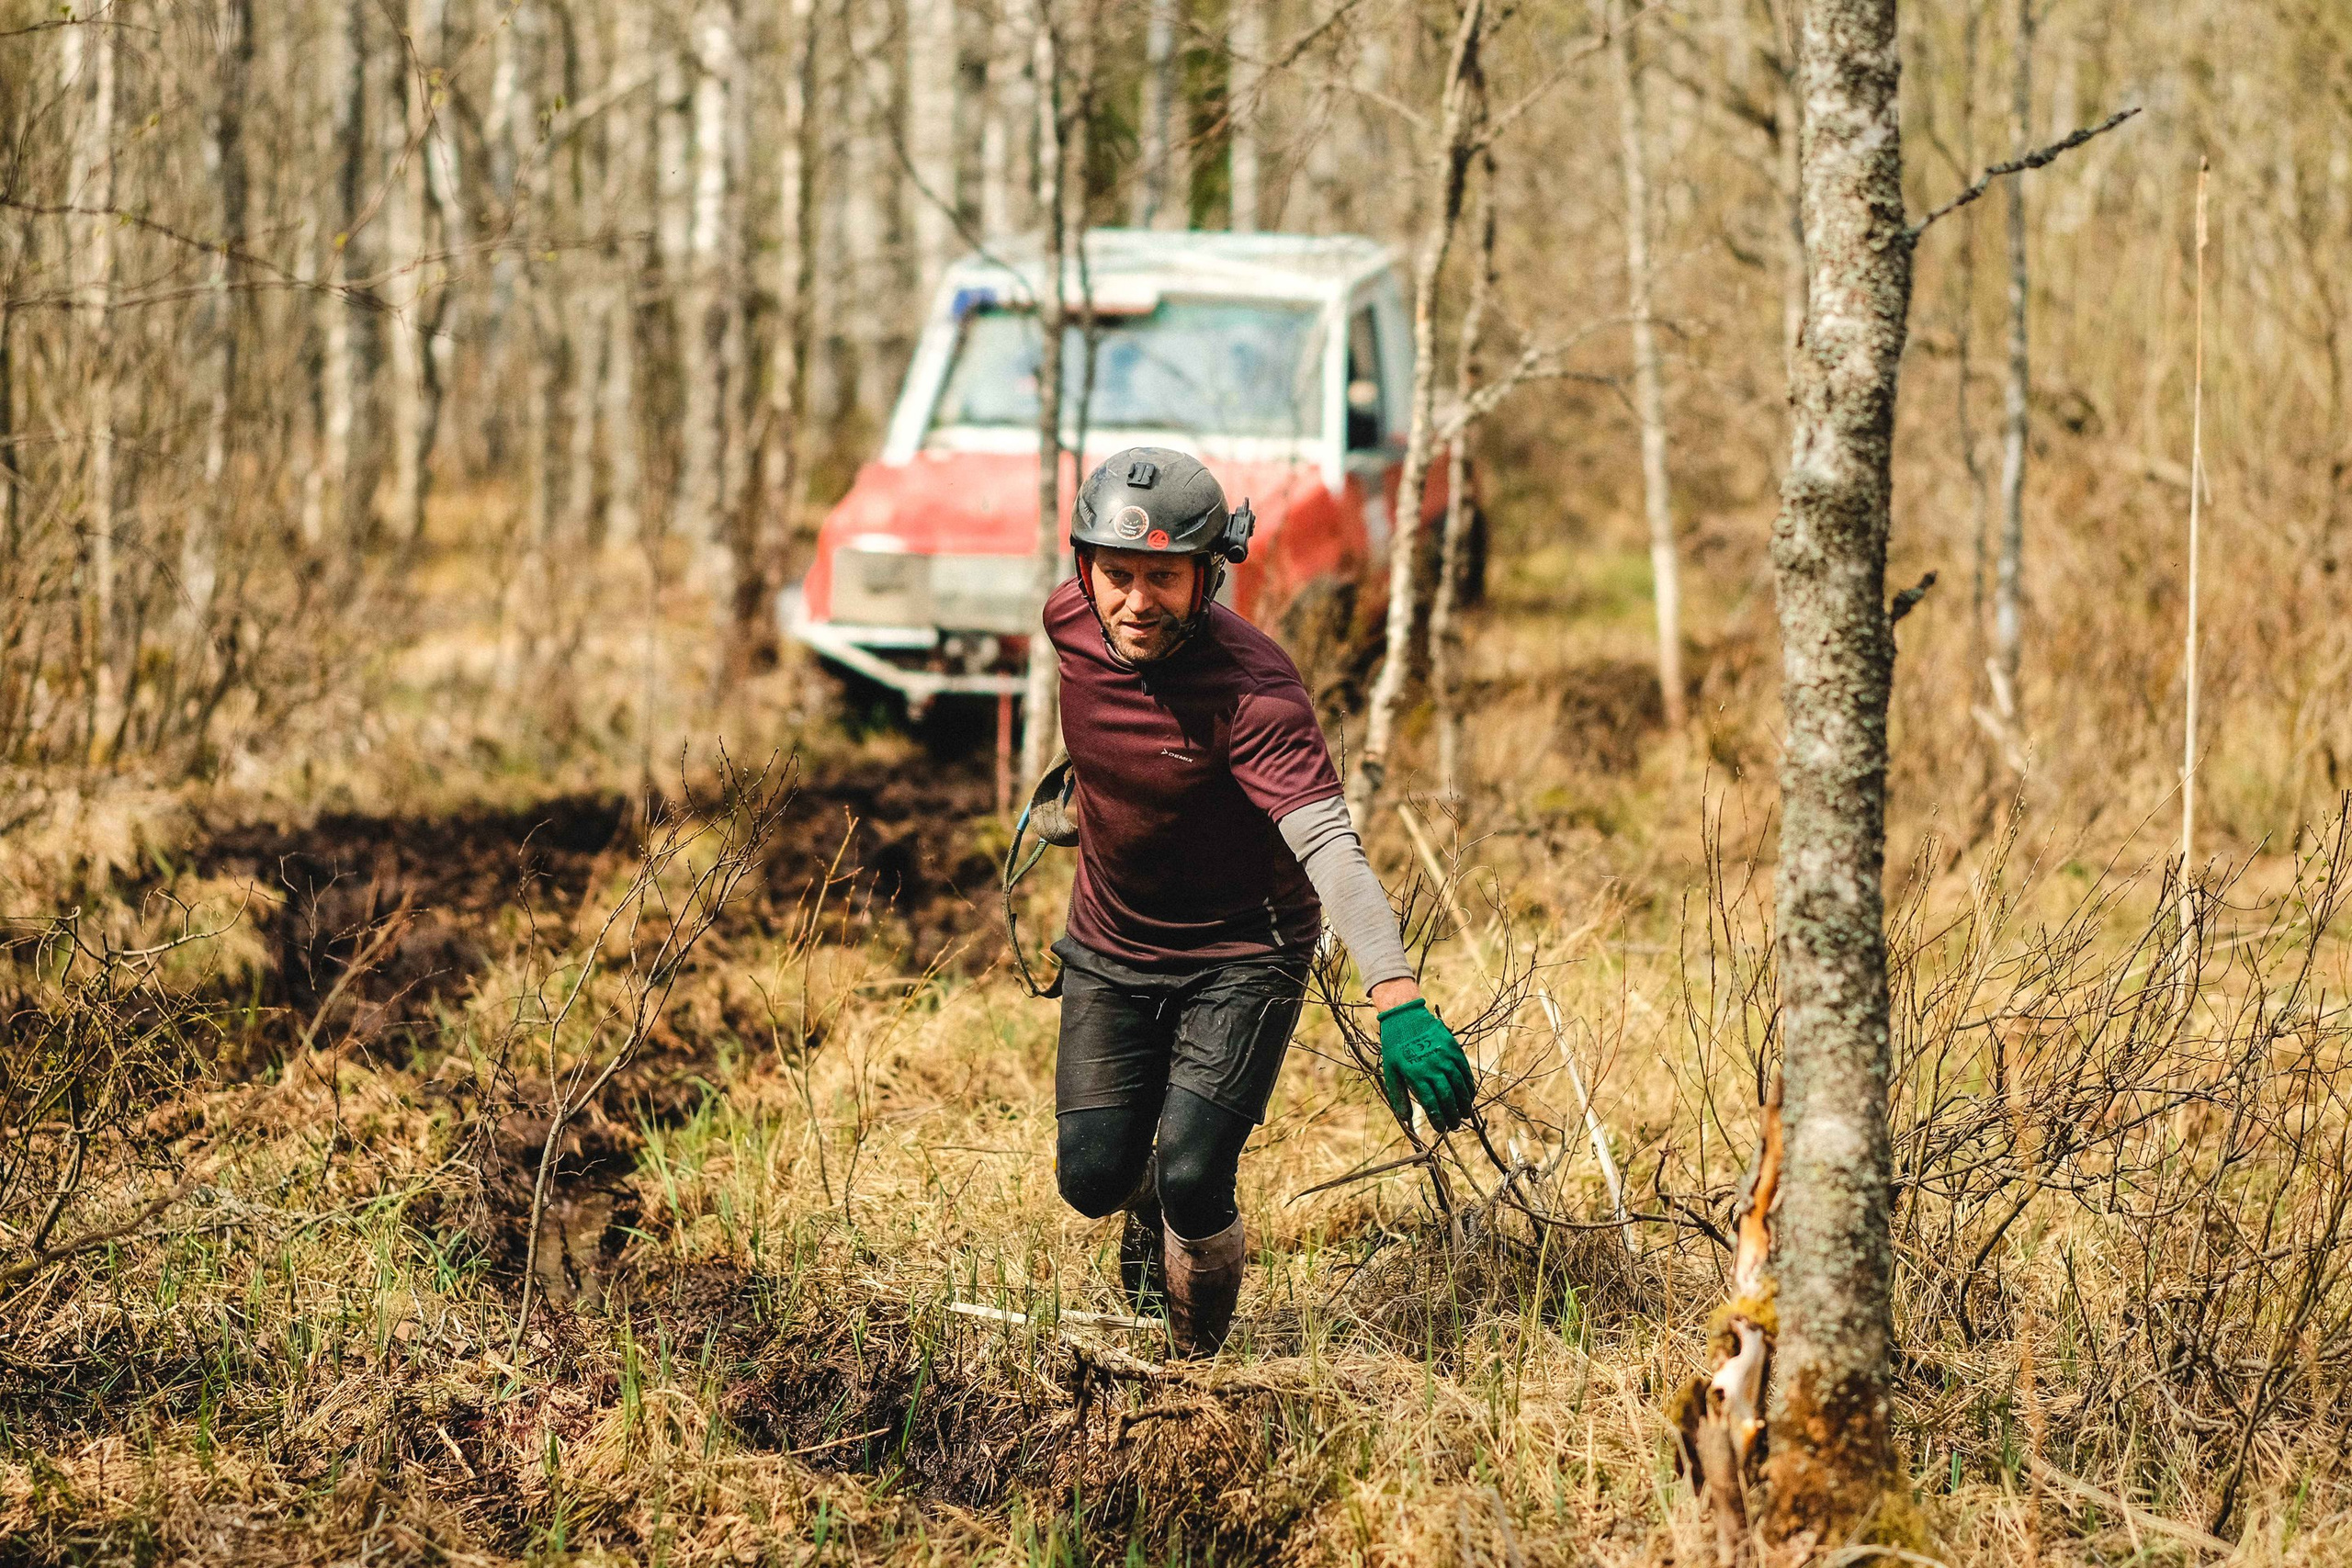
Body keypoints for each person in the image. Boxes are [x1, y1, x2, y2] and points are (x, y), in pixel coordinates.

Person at [1040, 446, 1476, 1357]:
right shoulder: (1067, 622)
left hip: (1242, 952)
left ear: (1208, 576)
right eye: (1115, 574)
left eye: (1162, 578)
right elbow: (1110, 722)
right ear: (1085, 569)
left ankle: (1196, 1370)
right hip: (1111, 940)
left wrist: (1397, 999)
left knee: (1196, 1176)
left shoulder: (1257, 694)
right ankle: (1143, 1201)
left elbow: (1329, 846)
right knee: (1091, 1177)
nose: (1133, 601)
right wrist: (1082, 798)